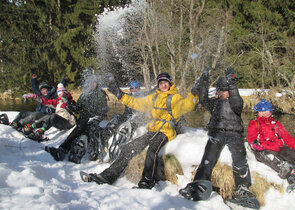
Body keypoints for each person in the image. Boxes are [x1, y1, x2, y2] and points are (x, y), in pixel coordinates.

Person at [81, 72, 199, 189]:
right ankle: (107, 176)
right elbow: (136, 102)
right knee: (129, 148)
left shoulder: (175, 98)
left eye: (165, 83)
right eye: (161, 83)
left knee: (152, 150)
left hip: (165, 131)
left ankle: (147, 182)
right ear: (158, 84)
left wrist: (194, 94)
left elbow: (187, 105)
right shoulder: (154, 97)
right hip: (153, 130)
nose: (163, 85)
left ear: (169, 83)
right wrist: (121, 95)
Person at [179, 67, 260, 209]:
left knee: (240, 159)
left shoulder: (236, 103)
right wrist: (205, 79)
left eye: (223, 90)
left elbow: (236, 99)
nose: (219, 93)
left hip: (235, 134)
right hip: (216, 134)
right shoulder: (215, 103)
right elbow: (203, 99)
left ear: (229, 90)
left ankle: (243, 189)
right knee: (207, 158)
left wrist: (232, 82)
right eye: (218, 90)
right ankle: (200, 183)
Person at [45, 76, 109, 162]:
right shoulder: (85, 94)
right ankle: (62, 149)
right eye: (90, 82)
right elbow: (77, 107)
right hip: (85, 117)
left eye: (94, 82)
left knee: (91, 129)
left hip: (96, 117)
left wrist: (99, 112)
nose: (92, 84)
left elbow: (103, 108)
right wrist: (68, 104)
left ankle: (93, 152)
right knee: (78, 129)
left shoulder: (101, 93)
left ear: (97, 83)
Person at [248, 99, 295, 186]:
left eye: (268, 110)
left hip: (277, 147)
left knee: (292, 153)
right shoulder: (254, 123)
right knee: (272, 158)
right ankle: (289, 175)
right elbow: (251, 138)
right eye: (263, 111)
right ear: (258, 112)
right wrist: (255, 145)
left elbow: (287, 137)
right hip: (264, 149)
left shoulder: (275, 123)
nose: (266, 113)